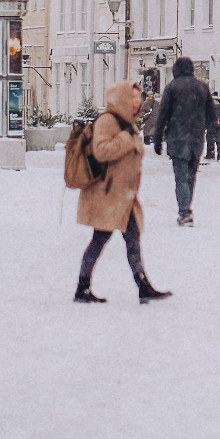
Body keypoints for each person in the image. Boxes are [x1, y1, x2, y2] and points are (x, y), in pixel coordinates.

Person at [74, 80, 168, 305]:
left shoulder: (127, 123)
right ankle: (83, 287)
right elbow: (101, 151)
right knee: (100, 240)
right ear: (122, 99)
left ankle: (142, 286)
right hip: (108, 195)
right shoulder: (108, 121)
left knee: (131, 239)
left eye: (138, 98)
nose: (137, 102)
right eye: (132, 98)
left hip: (124, 196)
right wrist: (126, 139)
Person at [152, 57, 213, 226]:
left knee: (181, 177)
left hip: (177, 138)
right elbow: (211, 114)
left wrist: (158, 139)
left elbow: (162, 115)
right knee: (191, 176)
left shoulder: (172, 87)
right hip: (196, 139)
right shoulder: (202, 87)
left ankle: (184, 211)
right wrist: (207, 131)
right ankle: (187, 208)